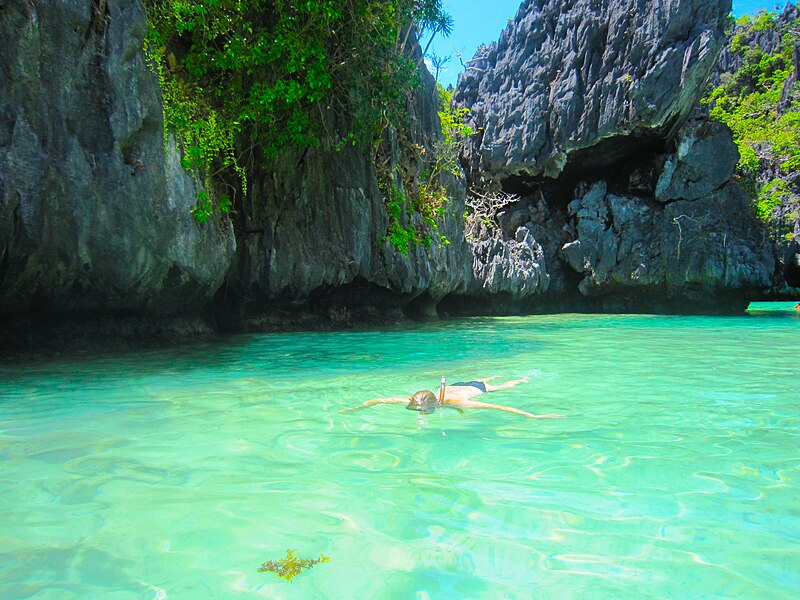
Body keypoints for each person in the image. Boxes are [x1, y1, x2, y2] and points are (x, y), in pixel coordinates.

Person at [341, 376, 564, 419]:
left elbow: (497, 408)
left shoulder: (457, 402)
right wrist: (356, 408)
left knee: (502, 386)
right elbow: (380, 400)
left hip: (477, 388)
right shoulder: (414, 399)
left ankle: (522, 379)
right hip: (458, 385)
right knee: (484, 378)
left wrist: (531, 416)